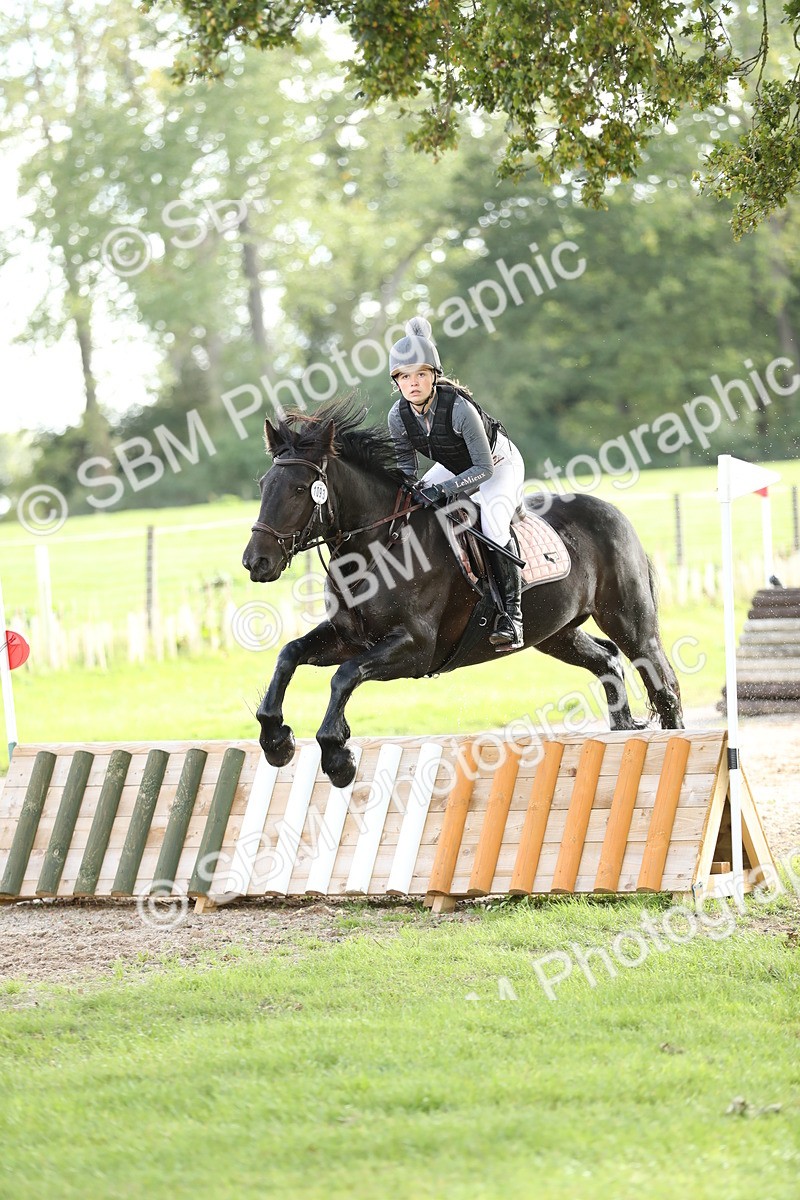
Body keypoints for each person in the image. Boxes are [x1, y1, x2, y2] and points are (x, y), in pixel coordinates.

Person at [387, 316, 526, 649]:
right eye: (405, 376)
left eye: (421, 374)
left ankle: (512, 616)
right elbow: (407, 468)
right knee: (418, 503)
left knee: (493, 526)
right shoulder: (398, 416)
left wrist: (444, 490)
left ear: (434, 375)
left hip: (498, 463)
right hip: (452, 465)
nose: (413, 383)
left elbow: (483, 469)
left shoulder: (460, 409)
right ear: (397, 382)